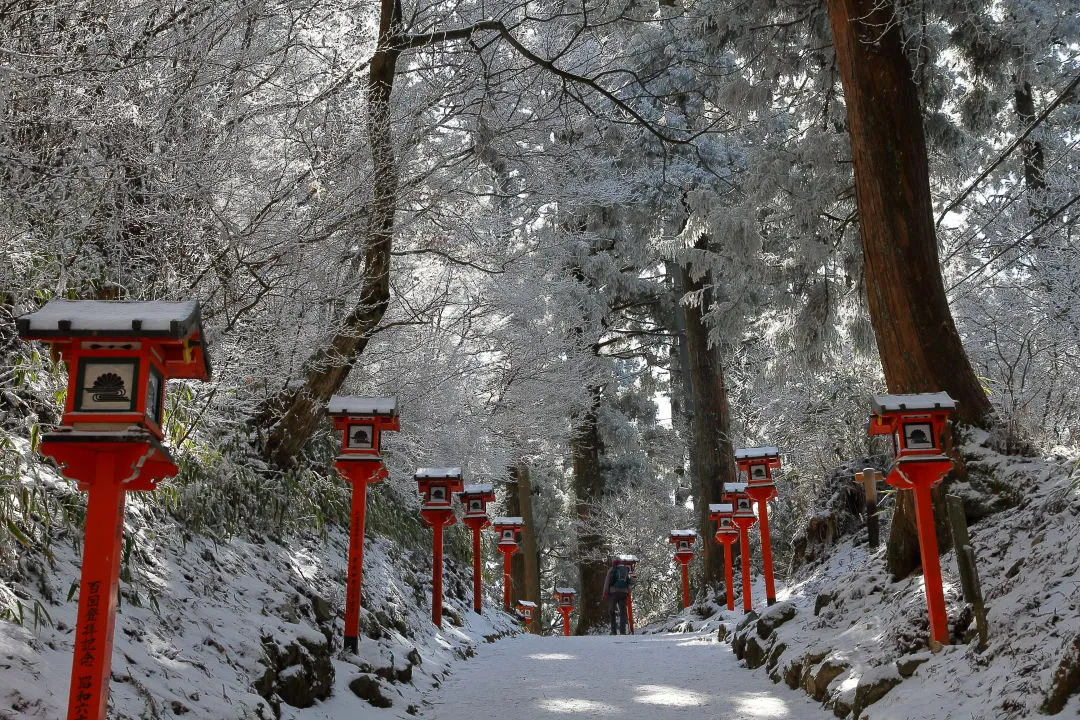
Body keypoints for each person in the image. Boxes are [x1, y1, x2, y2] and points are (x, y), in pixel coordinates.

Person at [602, 558, 632, 635]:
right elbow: (629, 582)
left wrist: (605, 593)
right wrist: (628, 591)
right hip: (624, 593)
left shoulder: (612, 569)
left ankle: (613, 631)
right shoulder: (625, 569)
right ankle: (623, 631)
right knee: (623, 612)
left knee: (611, 611)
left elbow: (607, 581)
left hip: (614, 592)